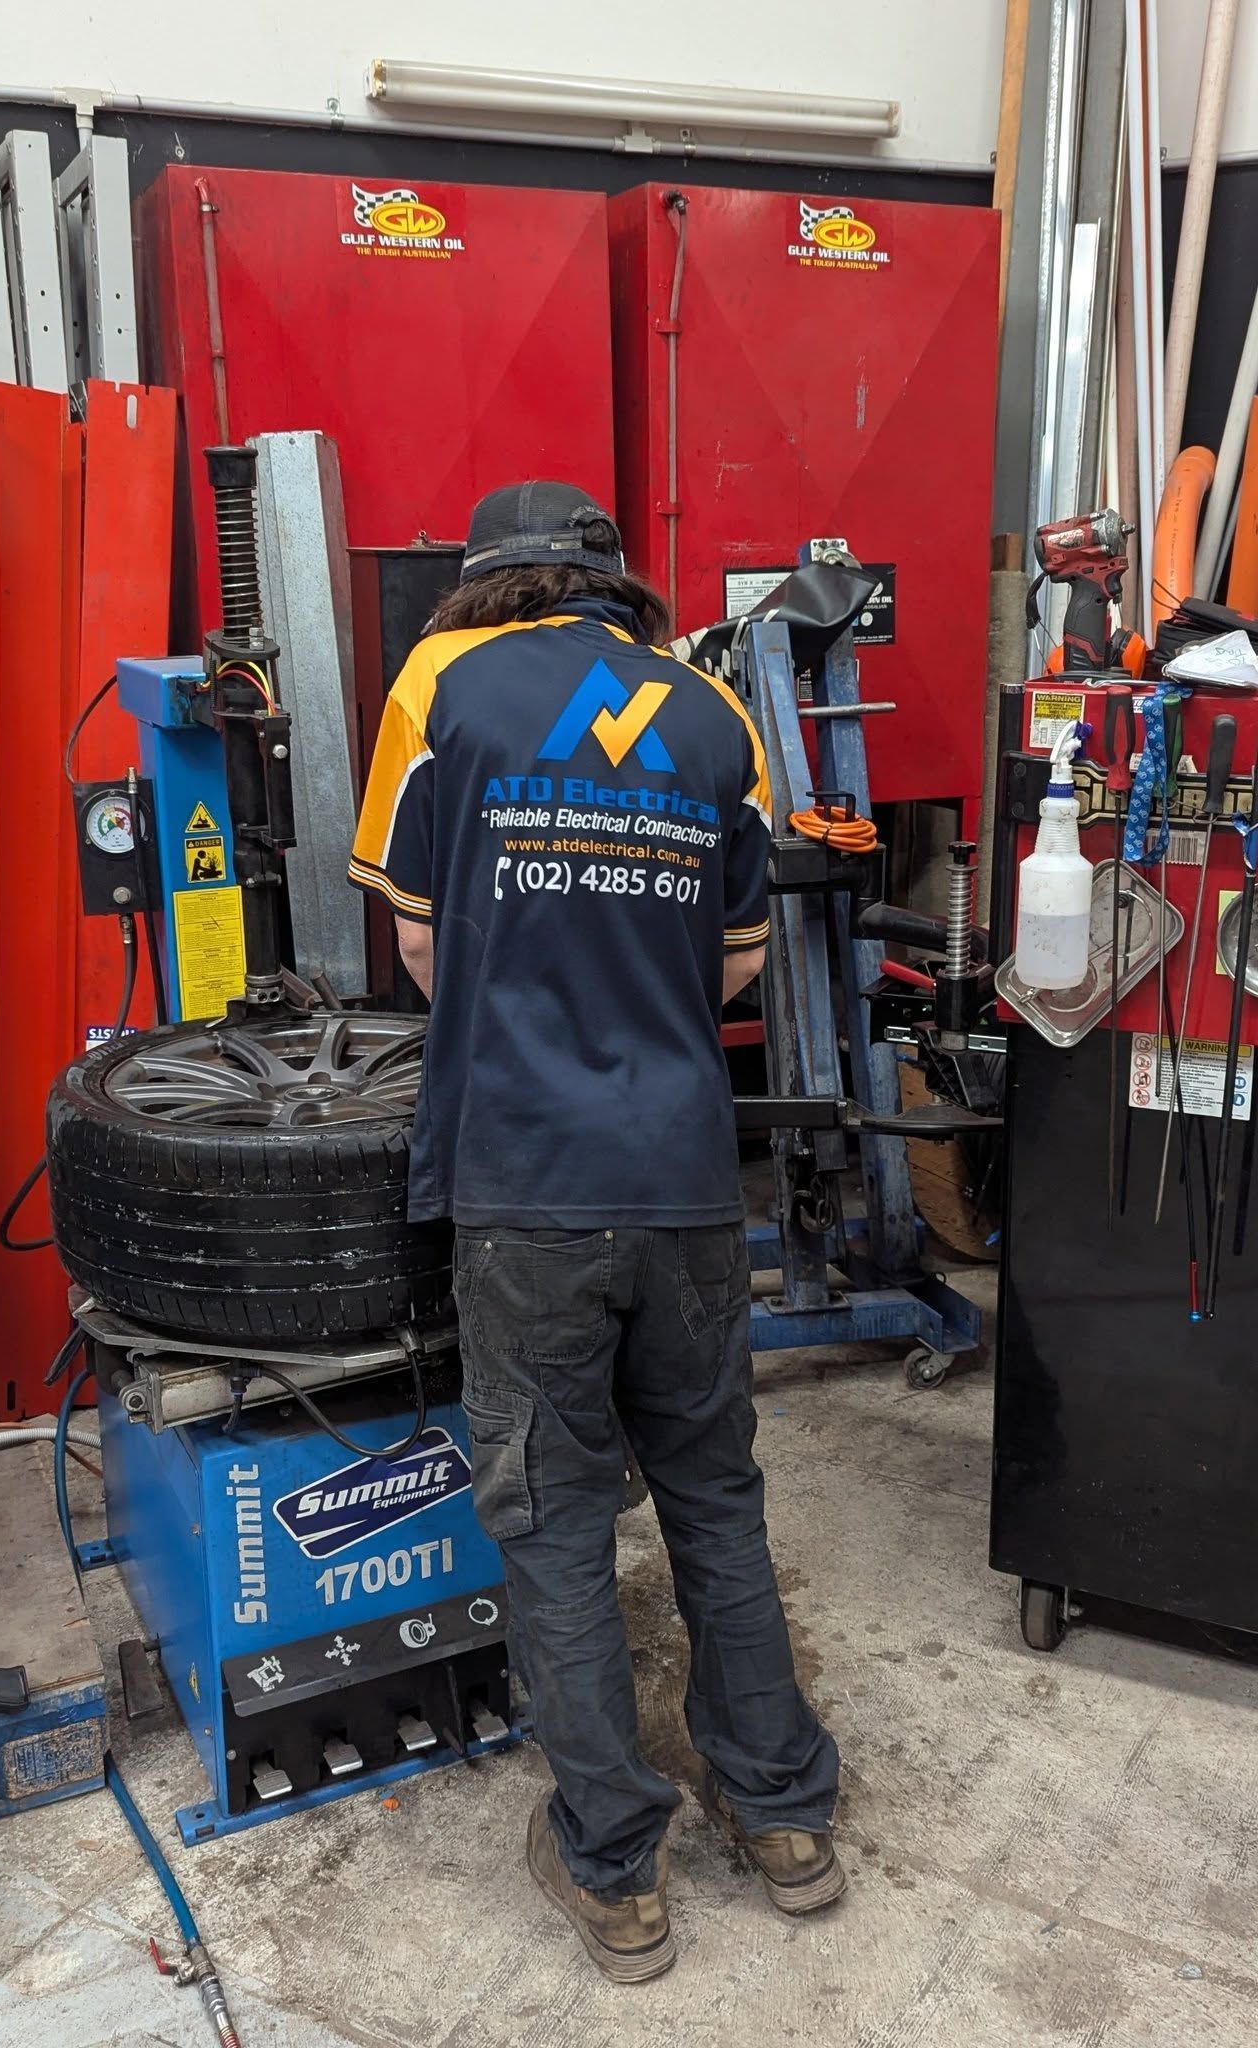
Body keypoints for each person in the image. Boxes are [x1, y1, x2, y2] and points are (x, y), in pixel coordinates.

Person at [349, 481, 842, 1981]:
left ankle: (617, 1871)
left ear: (481, 579)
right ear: (616, 586)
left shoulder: (443, 688)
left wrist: (533, 1018)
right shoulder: (708, 716)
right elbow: (738, 965)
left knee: (556, 1524)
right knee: (712, 1494)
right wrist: (635, 1022)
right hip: (686, 1181)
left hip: (527, 1187)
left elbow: (421, 934)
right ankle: (780, 1820)